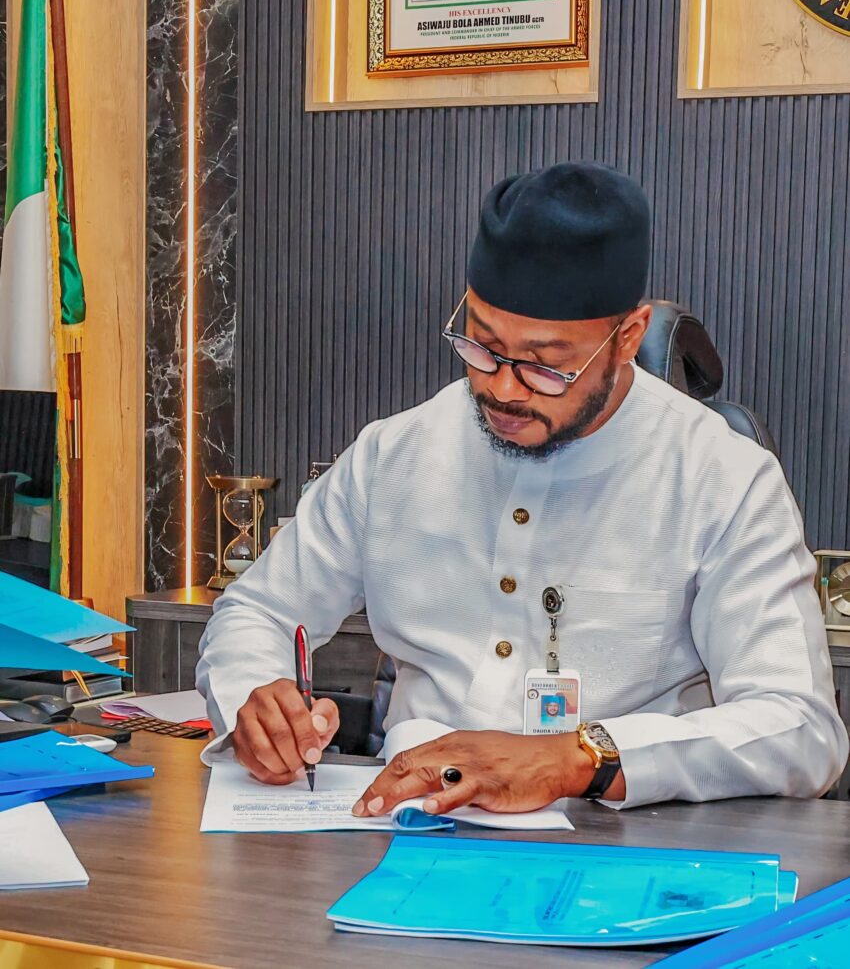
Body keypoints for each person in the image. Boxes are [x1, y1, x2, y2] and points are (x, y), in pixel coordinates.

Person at [197, 161, 848, 816]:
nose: (502, 388)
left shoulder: (723, 478)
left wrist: (578, 759)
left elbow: (800, 728)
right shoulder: (395, 453)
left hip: (626, 839)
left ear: (627, 337)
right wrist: (258, 699)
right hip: (404, 822)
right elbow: (258, 611)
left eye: (545, 366)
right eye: (482, 347)